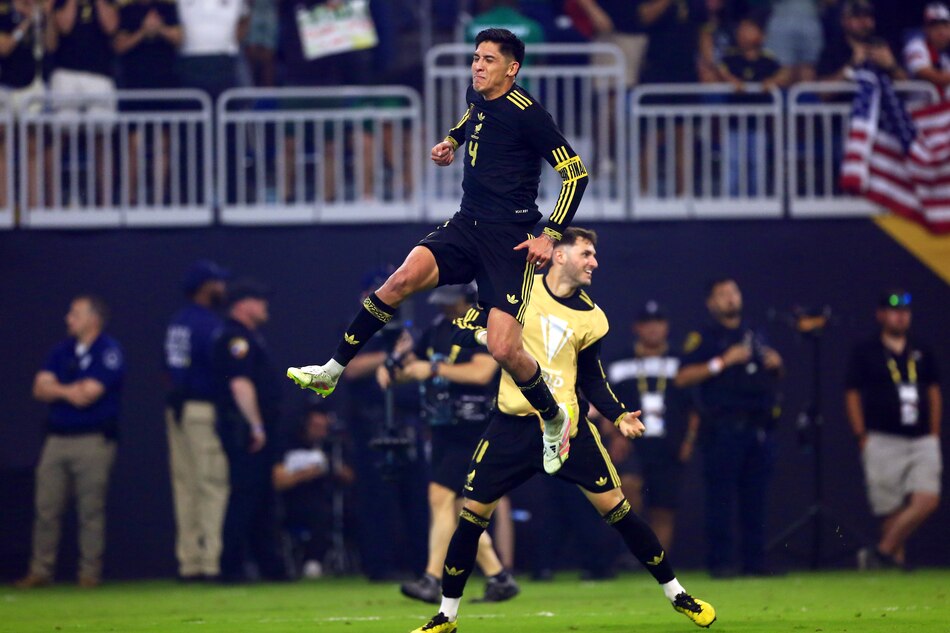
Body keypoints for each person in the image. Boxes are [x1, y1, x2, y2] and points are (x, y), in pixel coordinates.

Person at [288, 28, 590, 477]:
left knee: (506, 349)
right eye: (476, 57)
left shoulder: (530, 114)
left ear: (512, 69)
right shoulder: (478, 93)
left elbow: (576, 172)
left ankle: (552, 416)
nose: (478, 66)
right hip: (467, 224)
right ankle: (333, 369)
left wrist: (549, 235)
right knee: (399, 282)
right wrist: (453, 140)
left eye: (488, 60)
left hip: (510, 240)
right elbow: (473, 118)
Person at [410, 228, 715, 633]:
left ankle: (678, 594)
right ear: (558, 256)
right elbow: (459, 328)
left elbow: (593, 379)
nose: (594, 262)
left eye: (594, 255)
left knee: (619, 510)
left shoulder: (593, 317)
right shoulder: (516, 289)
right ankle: (446, 616)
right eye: (587, 254)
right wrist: (490, 335)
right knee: (470, 517)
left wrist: (619, 414)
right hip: (511, 425)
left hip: (567, 428)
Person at [378, 283, 519, 604]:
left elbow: (482, 373)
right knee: (457, 511)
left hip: (475, 427)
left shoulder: (487, 326)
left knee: (439, 497)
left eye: (450, 301)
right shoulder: (438, 328)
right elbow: (414, 365)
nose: (443, 308)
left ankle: (432, 578)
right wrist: (394, 368)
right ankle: (498, 578)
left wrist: (432, 368)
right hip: (443, 427)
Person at [676, 277, 784, 578]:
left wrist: (776, 364)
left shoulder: (755, 333)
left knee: (756, 499)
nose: (730, 299)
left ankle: (755, 562)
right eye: (722, 294)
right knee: (720, 500)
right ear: (711, 302)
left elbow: (774, 372)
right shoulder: (704, 336)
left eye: (734, 292)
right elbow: (682, 377)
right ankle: (720, 563)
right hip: (722, 428)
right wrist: (722, 361)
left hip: (758, 427)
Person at [16, 295, 124, 589]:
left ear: (94, 318)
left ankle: (89, 573)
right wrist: (69, 391)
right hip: (57, 438)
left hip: (92, 440)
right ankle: (41, 570)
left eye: (75, 313)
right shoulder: (60, 350)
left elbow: (90, 392)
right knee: (46, 508)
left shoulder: (109, 351)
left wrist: (57, 389)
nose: (68, 318)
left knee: (90, 509)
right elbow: (39, 389)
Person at [845, 290, 942, 569]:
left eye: (905, 312)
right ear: (881, 315)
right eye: (894, 310)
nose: (900, 316)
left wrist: (934, 431)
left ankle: (881, 552)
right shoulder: (866, 350)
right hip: (882, 437)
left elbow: (934, 391)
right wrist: (861, 434)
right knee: (890, 509)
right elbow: (851, 393)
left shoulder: (921, 348)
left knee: (927, 498)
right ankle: (892, 565)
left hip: (922, 436)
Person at [599, 300, 698, 552]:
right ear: (637, 328)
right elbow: (604, 401)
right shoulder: (619, 361)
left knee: (664, 507)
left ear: (666, 327)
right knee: (627, 492)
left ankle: (658, 563)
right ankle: (626, 556)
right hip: (632, 442)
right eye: (647, 324)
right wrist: (613, 435)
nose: (653, 329)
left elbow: (694, 406)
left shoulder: (682, 362)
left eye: (658, 323)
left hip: (670, 444)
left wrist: (689, 440)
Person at [212, 278, 287, 582]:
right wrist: (255, 424)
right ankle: (230, 567)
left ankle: (269, 566)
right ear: (243, 305)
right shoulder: (235, 339)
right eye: (259, 299)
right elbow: (240, 383)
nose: (264, 305)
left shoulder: (250, 337)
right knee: (246, 496)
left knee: (261, 498)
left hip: (257, 429)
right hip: (246, 431)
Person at [163, 260, 230, 581]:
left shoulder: (178, 321)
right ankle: (210, 561)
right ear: (206, 287)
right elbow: (219, 369)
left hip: (177, 409)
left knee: (185, 487)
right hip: (202, 409)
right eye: (218, 283)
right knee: (211, 484)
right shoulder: (209, 325)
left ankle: (187, 561)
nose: (223, 289)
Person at [272, 399, 354, 578]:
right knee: (317, 511)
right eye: (315, 426)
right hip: (296, 503)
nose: (320, 431)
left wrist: (332, 467)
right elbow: (278, 481)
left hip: (331, 501)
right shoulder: (290, 446)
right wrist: (308, 472)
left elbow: (351, 476)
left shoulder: (333, 447)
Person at [49, 0, 118, 206]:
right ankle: (54, 202)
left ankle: (104, 202)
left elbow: (111, 26)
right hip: (66, 73)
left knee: (102, 138)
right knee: (60, 136)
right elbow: (64, 26)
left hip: (99, 74)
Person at [113, 0, 182, 205]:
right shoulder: (127, 10)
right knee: (134, 144)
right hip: (134, 86)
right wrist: (143, 32)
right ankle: (131, 200)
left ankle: (160, 200)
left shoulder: (167, 8)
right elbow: (118, 45)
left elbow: (181, 38)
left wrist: (159, 29)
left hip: (164, 84)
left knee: (163, 143)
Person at [0, 0, 53, 209]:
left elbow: (51, 46)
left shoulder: (39, 13)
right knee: (1, 145)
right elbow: (4, 48)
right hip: (4, 85)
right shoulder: (3, 10)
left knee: (33, 144)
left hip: (32, 84)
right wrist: (26, 24)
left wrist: (44, 20)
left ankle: (33, 206)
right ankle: (2, 207)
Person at [816, 0, 905, 81]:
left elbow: (908, 88)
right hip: (849, 99)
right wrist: (851, 65)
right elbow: (822, 94)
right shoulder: (834, 50)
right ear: (843, 21)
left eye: (868, 16)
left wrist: (892, 66)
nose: (864, 22)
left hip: (884, 98)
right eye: (857, 16)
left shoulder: (883, 45)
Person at [903, 2, 950, 99]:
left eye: (945, 26)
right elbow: (927, 74)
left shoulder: (944, 57)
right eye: (935, 26)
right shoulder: (915, 46)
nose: (941, 31)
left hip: (938, 109)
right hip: (917, 109)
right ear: (926, 29)